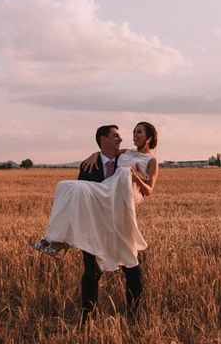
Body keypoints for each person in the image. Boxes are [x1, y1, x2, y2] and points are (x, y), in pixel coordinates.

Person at [32, 122, 159, 322]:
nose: (127, 137)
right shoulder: (101, 160)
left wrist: (134, 176)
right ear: (103, 140)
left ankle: (135, 316)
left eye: (138, 132)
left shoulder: (148, 160)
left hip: (119, 217)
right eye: (118, 135)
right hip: (94, 223)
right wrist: (94, 155)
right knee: (91, 272)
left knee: (131, 267)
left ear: (149, 137)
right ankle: (87, 317)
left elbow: (149, 189)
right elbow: (80, 201)